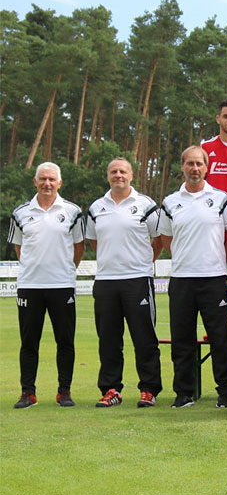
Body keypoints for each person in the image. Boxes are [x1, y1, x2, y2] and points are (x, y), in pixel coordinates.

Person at [158, 146, 227, 408]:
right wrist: (184, 257)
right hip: (182, 279)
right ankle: (184, 393)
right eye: (190, 164)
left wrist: (218, 258)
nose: (195, 168)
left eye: (199, 164)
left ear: (207, 167)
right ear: (182, 166)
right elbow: (166, 237)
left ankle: (225, 392)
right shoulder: (170, 202)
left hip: (214, 278)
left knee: (220, 337)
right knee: (181, 338)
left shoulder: (221, 198)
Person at [85, 158, 163, 408]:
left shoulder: (146, 204)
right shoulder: (96, 207)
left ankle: (149, 389)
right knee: (108, 340)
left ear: (131, 175)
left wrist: (143, 261)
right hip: (106, 281)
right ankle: (111, 390)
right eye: (113, 171)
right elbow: (95, 242)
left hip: (137, 280)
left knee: (144, 338)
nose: (118, 175)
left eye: (122, 171)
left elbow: (160, 238)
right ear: (108, 176)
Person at [9, 162, 85, 409]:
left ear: (59, 183)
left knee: (65, 341)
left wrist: (64, 270)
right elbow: (20, 249)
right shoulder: (20, 213)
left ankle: (64, 392)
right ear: (35, 181)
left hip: (62, 285)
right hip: (30, 286)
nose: (47, 183)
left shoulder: (73, 211)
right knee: (29, 343)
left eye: (52, 179)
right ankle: (27, 393)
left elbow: (79, 247)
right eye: (42, 179)